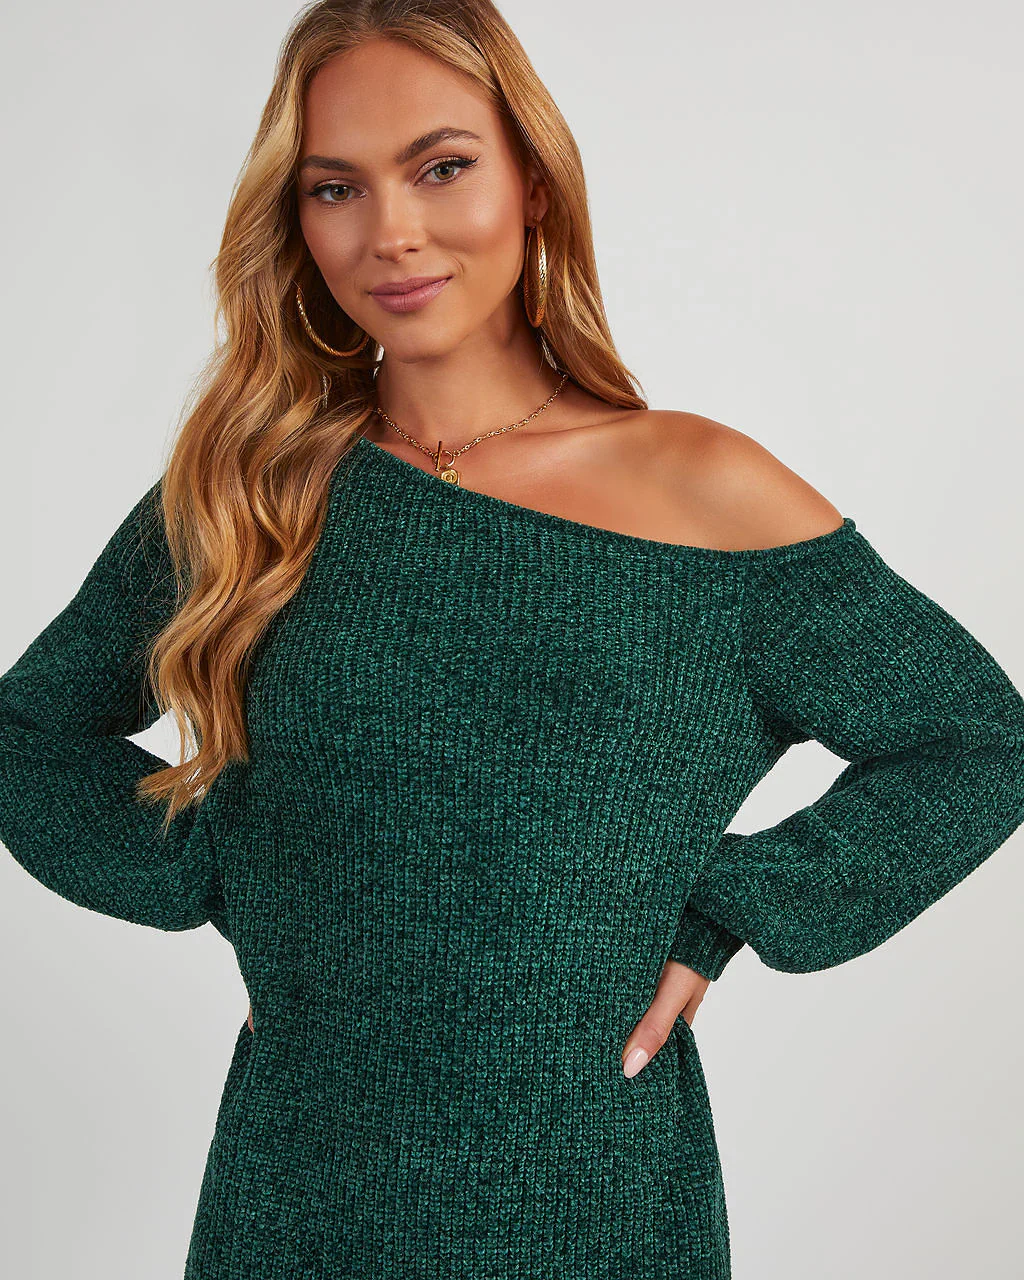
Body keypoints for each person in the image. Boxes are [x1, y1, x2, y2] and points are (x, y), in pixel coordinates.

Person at [2, 2, 1022, 1277]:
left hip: (593, 1193)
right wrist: (229, 871)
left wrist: (739, 905)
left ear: (533, 182)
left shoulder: (701, 488)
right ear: (296, 219)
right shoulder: (250, 494)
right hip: (299, 1193)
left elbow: (974, 738)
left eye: (441, 166)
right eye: (335, 187)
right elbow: (29, 732)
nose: (390, 231)